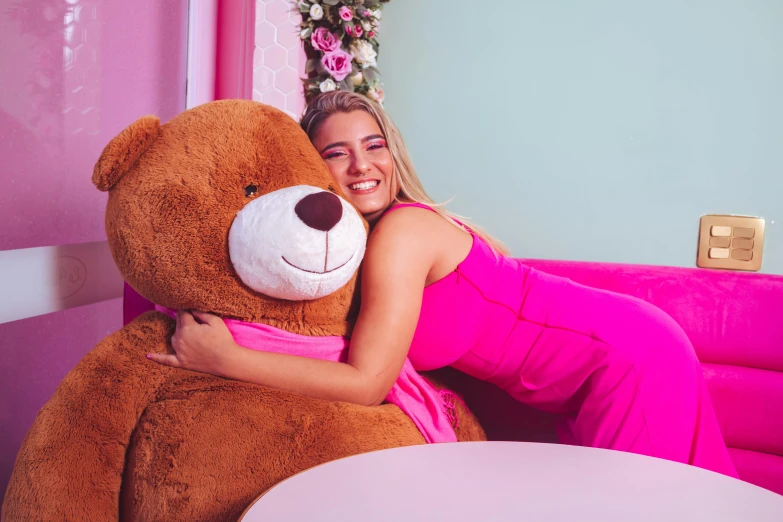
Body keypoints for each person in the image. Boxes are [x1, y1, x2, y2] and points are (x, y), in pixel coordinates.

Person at [148, 91, 738, 478]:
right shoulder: (363, 246)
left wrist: (224, 358)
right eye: (337, 153)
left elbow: (365, 381)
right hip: (599, 369)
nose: (361, 166)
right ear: (312, 169)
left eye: (374, 146)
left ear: (393, 153)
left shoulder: (403, 232)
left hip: (627, 357)